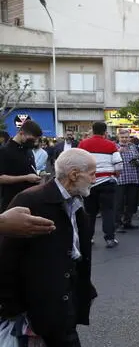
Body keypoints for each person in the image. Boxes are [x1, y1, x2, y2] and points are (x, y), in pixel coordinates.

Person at [0, 148, 98, 347]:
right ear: (73, 175)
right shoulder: (30, 201)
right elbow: (6, 259)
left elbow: (77, 253)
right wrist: (13, 308)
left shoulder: (76, 202)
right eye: (92, 174)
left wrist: (85, 290)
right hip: (40, 308)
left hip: (65, 302)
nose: (95, 180)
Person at [79, 122, 123, 248]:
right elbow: (118, 165)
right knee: (108, 211)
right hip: (107, 183)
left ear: (92, 131)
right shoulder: (111, 145)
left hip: (89, 184)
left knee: (89, 212)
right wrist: (115, 176)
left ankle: (88, 238)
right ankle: (110, 238)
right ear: (105, 132)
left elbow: (78, 162)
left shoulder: (83, 144)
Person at [0, 120, 43, 212]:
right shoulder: (4, 151)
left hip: (30, 200)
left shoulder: (28, 151)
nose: (34, 143)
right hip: (12, 203)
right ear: (21, 133)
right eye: (31, 139)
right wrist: (25, 178)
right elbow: (1, 178)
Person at [114, 129, 139, 232]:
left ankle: (127, 222)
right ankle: (117, 224)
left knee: (131, 203)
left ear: (129, 137)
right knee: (119, 203)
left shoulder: (133, 147)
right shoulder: (115, 147)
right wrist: (118, 152)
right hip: (120, 179)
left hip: (132, 178)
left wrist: (137, 162)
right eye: (122, 137)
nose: (125, 139)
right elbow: (112, 160)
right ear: (119, 138)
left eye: (126, 137)